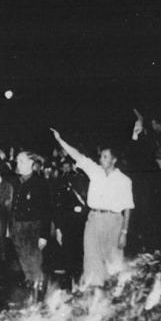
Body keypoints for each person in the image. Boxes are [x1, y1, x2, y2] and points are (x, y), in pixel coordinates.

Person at [50, 128, 134, 288]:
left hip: (114, 221)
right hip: (94, 220)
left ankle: (114, 296)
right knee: (91, 258)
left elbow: (128, 208)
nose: (101, 159)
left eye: (105, 156)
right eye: (101, 156)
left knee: (113, 261)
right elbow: (77, 155)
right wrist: (60, 140)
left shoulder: (124, 180)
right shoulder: (94, 171)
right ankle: (94, 295)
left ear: (114, 159)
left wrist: (124, 233)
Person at [10, 151, 54, 301]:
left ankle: (39, 300)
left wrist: (44, 235)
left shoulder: (40, 183)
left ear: (31, 163)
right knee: (25, 265)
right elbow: (2, 168)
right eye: (17, 161)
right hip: (18, 228)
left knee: (35, 264)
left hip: (33, 229)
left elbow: (47, 211)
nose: (18, 165)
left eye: (21, 161)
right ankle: (32, 296)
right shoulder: (18, 181)